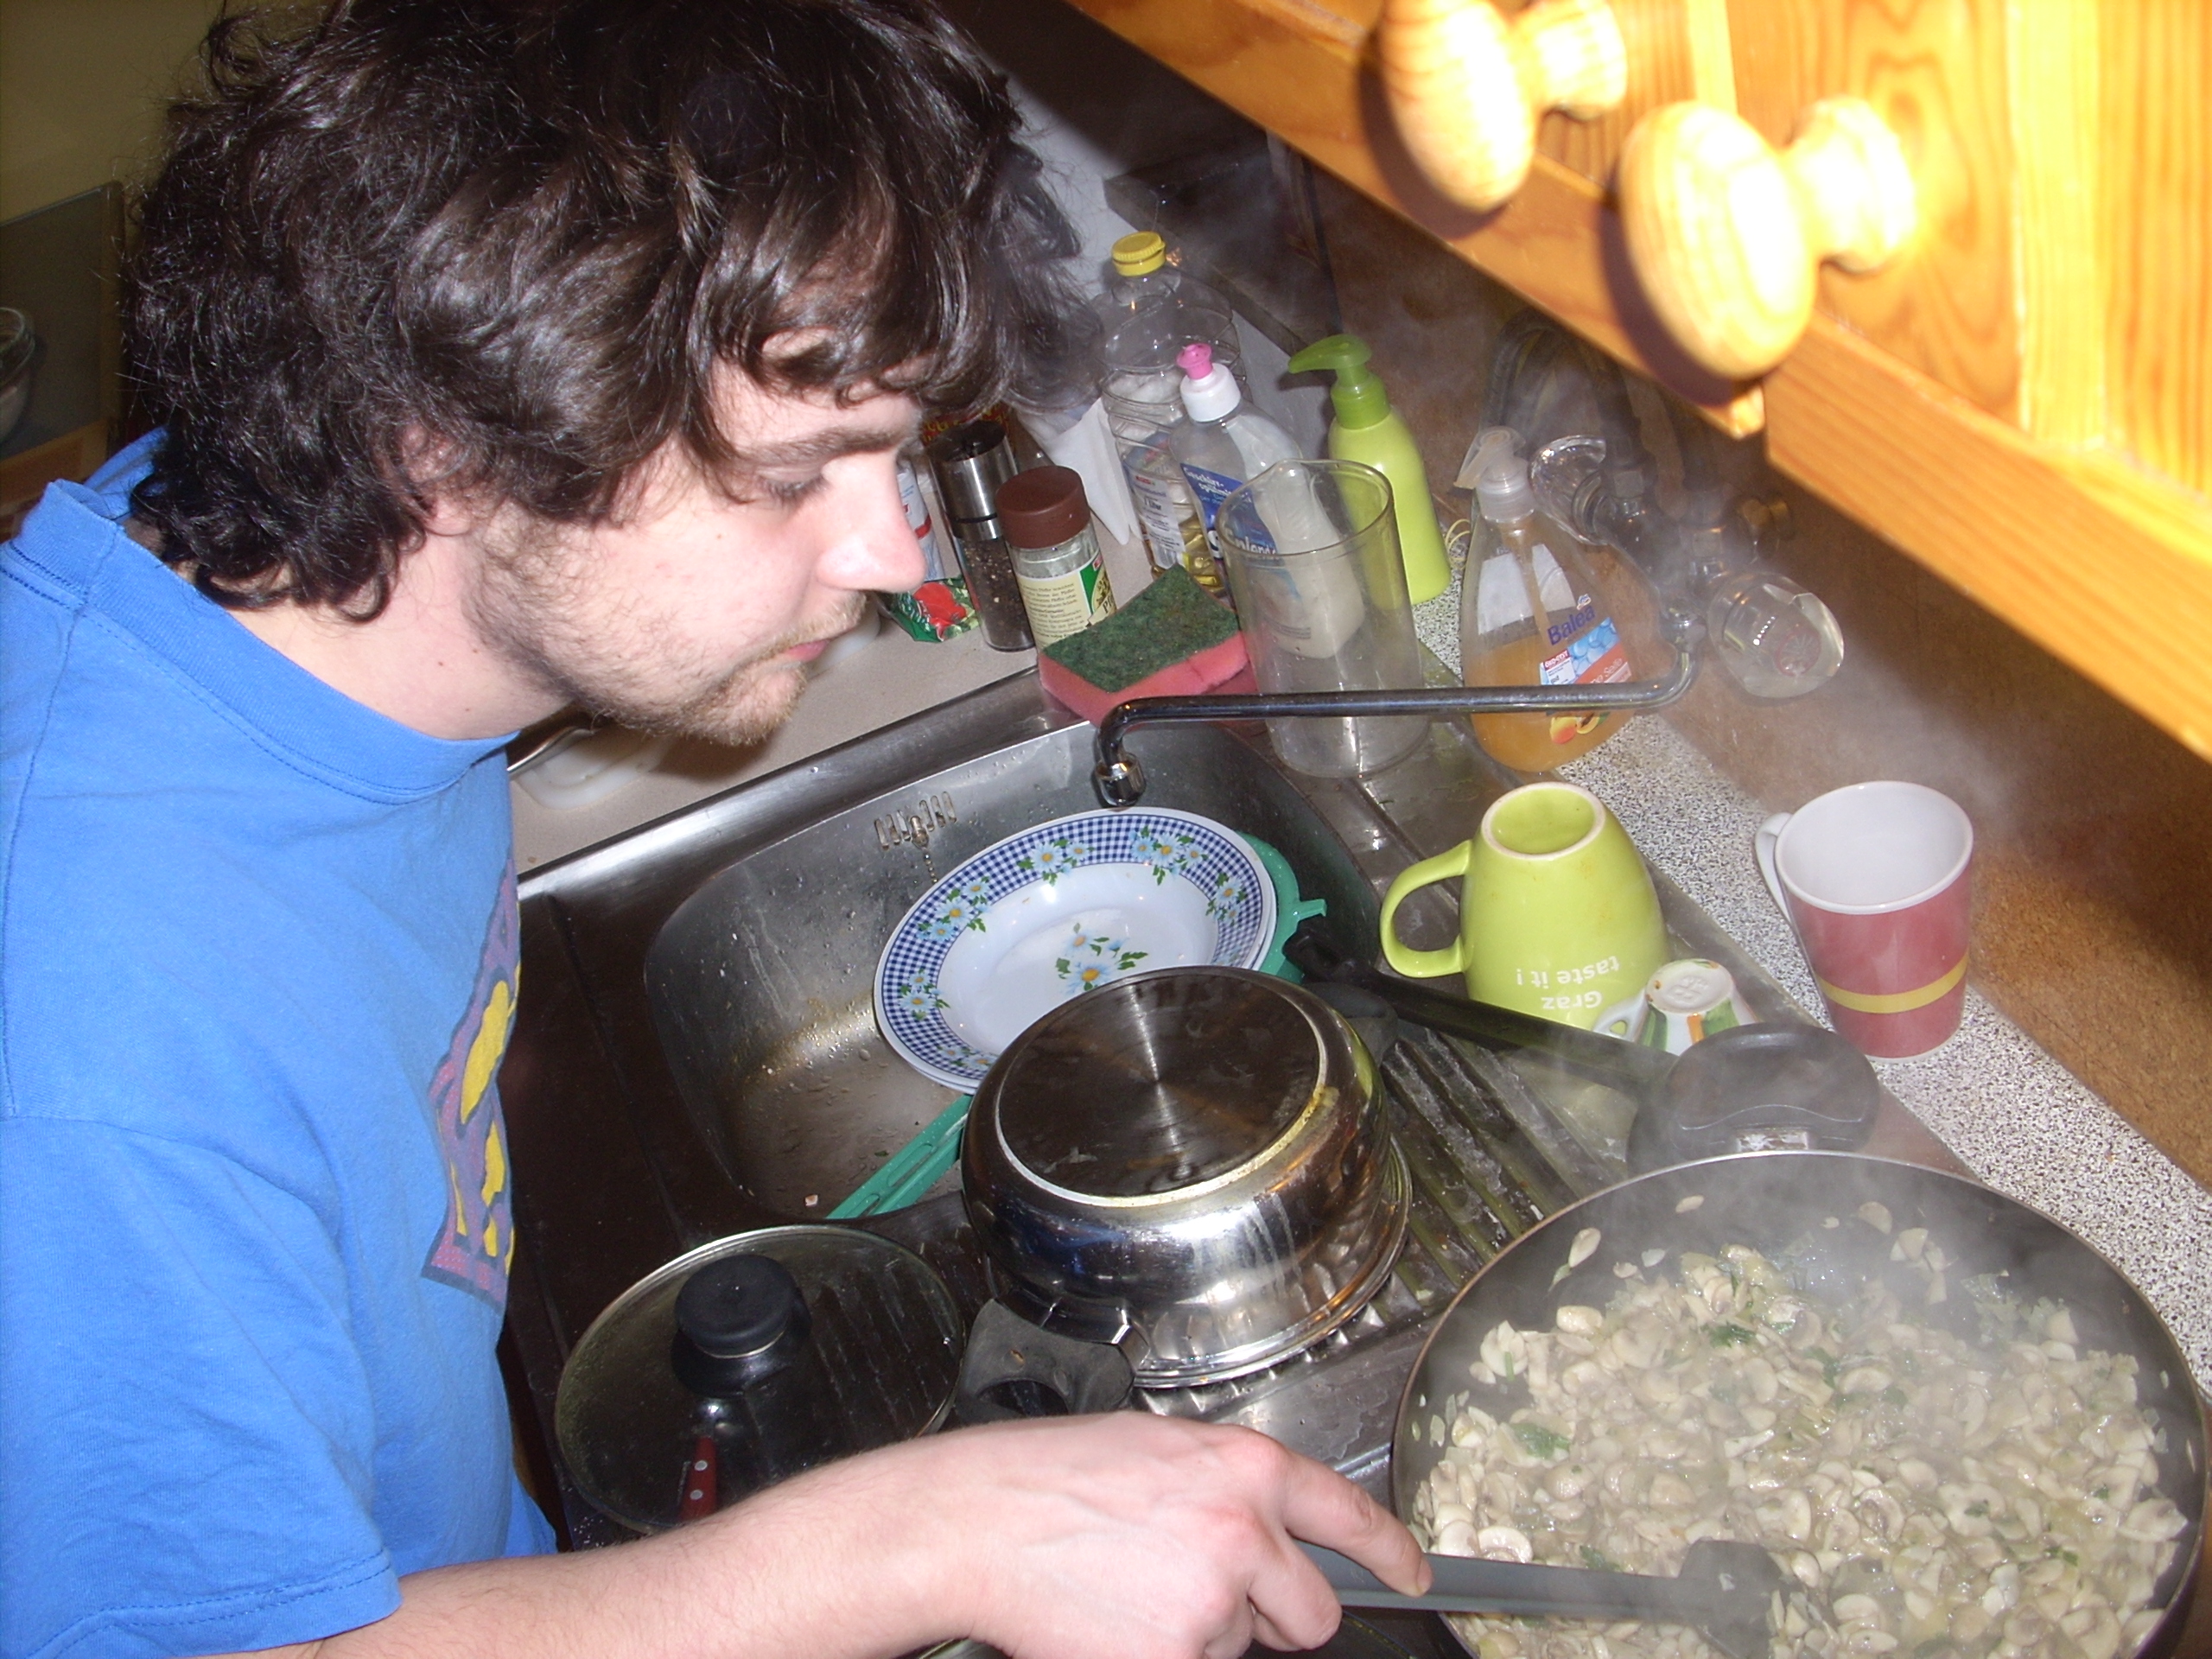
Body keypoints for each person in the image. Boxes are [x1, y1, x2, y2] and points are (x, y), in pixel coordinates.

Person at [0, 3, 1430, 1658]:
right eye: (800, 474)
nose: (896, 556)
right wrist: (922, 1543)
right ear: (445, 438)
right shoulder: (95, 1035)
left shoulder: (283, 569)